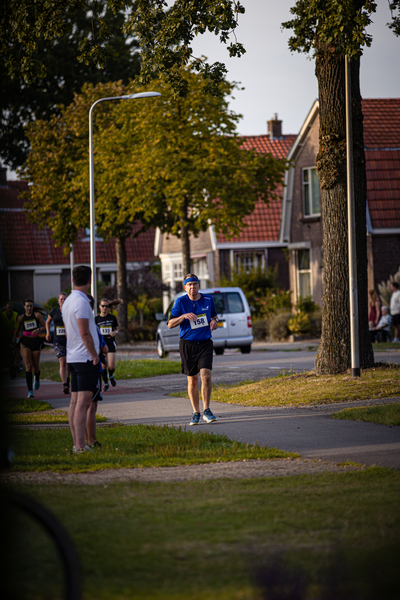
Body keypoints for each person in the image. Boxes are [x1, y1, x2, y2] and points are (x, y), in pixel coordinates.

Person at [168, 273, 219, 426]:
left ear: (198, 286)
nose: (192, 287)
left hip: (204, 343)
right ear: (185, 287)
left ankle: (207, 410)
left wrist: (214, 321)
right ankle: (196, 412)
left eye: (195, 284)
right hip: (187, 344)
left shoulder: (208, 300)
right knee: (192, 380)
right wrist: (183, 316)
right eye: (189, 285)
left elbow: (214, 317)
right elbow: (170, 324)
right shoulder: (180, 302)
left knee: (206, 376)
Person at [62, 265, 100, 454]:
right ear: (89, 280)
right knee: (83, 403)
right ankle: (79, 446)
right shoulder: (82, 301)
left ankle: (77, 444)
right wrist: (94, 355)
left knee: (74, 402)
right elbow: (84, 333)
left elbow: (70, 333)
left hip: (72, 356)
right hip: (85, 357)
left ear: (72, 280)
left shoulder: (68, 301)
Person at [86, 294, 108, 448]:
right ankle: (91, 441)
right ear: (93, 308)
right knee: (91, 406)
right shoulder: (93, 327)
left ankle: (81, 442)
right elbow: (104, 348)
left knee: (79, 404)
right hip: (92, 368)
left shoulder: (73, 325)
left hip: (76, 368)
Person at [13, 298, 46, 398]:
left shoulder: (37, 315)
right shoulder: (21, 318)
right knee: (28, 365)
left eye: (31, 306)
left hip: (35, 341)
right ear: (24, 307)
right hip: (25, 342)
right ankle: (30, 391)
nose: (29, 308)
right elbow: (17, 330)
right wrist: (14, 338)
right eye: (27, 306)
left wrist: (38, 329)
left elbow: (44, 327)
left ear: (32, 307)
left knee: (35, 368)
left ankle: (37, 376)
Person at [95, 298, 121, 391]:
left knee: (111, 366)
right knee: (103, 365)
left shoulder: (112, 318)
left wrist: (115, 332)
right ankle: (106, 384)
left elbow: (117, 328)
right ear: (99, 307)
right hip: (101, 344)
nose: (104, 308)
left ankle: (111, 375)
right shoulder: (96, 319)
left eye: (106, 306)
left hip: (110, 342)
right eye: (103, 306)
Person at [46, 292, 70, 394]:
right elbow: (47, 322)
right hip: (58, 340)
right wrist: (48, 333)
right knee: (62, 361)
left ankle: (67, 382)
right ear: (58, 301)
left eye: (65, 299)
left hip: (69, 341)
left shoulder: (70, 311)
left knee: (69, 364)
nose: (63, 301)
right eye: (61, 299)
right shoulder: (54, 312)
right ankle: (64, 384)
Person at [0, 300, 21, 370]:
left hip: (14, 334)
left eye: (10, 308)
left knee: (17, 348)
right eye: (8, 308)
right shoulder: (2, 315)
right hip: (5, 334)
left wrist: (20, 332)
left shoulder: (16, 315)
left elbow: (20, 325)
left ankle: (18, 364)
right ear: (5, 308)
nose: (9, 309)